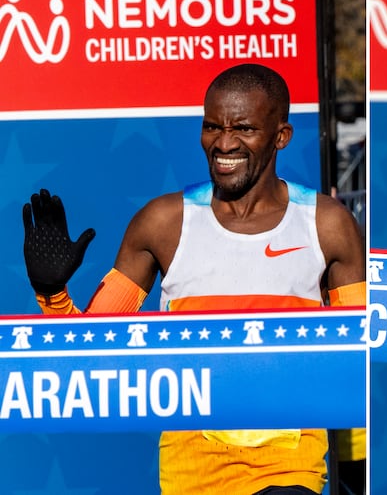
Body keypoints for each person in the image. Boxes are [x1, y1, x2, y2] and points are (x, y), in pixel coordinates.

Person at [22, 63, 366, 495]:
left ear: (281, 136)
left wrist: (355, 470)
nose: (223, 143)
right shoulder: (162, 223)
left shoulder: (327, 224)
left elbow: (358, 360)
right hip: (190, 475)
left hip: (288, 470)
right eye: (212, 127)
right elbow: (91, 355)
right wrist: (52, 293)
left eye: (243, 128)